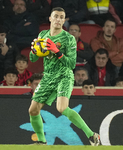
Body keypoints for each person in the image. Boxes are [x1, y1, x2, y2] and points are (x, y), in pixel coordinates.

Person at [28, 7, 100, 145]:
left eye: (61, 17)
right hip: (48, 76)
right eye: (56, 16)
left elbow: (71, 64)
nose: (58, 19)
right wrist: (33, 50)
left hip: (64, 76)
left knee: (61, 108)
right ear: (50, 18)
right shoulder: (43, 35)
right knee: (33, 110)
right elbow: (32, 59)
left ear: (64, 20)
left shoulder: (69, 39)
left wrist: (57, 51)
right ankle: (41, 142)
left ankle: (91, 135)